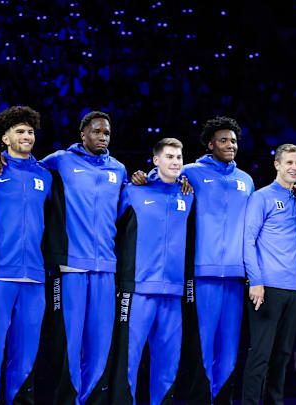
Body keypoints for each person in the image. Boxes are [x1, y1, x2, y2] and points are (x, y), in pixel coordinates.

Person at [0, 111, 128, 404]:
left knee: (99, 346)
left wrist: (149, 176)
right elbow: (21, 163)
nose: (103, 137)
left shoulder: (120, 169)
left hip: (106, 268)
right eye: (97, 132)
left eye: (107, 133)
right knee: (68, 345)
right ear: (83, 134)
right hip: (70, 267)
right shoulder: (59, 162)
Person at [0, 106, 52, 405]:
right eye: (19, 131)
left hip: (34, 278)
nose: (27, 136)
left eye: (30, 131)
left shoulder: (45, 174)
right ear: (5, 138)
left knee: (27, 355)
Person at [111, 138, 195, 404]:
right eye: (169, 157)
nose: (175, 162)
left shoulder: (187, 194)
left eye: (179, 158)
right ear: (155, 161)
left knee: (168, 367)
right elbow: (110, 230)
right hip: (136, 290)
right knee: (128, 363)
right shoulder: (133, 192)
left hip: (172, 292)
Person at [181, 116, 254, 403]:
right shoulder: (191, 172)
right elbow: (159, 176)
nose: (230, 145)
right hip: (202, 275)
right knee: (202, 347)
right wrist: (144, 177)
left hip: (236, 277)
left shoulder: (245, 180)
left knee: (229, 347)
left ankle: (222, 399)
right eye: (223, 140)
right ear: (210, 144)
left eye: (234, 141)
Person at [241, 144, 296, 405]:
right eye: (288, 162)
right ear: (277, 165)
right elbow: (248, 241)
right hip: (266, 288)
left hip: (294, 289)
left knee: (283, 355)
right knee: (261, 355)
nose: (294, 168)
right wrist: (255, 281)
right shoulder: (262, 197)